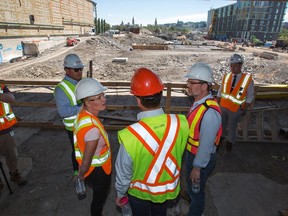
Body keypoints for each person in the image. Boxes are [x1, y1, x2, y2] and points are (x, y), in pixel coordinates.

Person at [115, 67, 189, 216]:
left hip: (139, 194)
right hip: (167, 191)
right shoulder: (181, 123)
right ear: (161, 95)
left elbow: (124, 172)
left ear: (137, 99)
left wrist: (120, 193)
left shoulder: (130, 135)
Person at [184, 62, 222, 216]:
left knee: (197, 191)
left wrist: (197, 168)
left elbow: (206, 146)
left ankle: (196, 213)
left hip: (200, 158)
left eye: (192, 82)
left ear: (205, 86)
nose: (188, 85)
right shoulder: (199, 103)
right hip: (192, 153)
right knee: (192, 187)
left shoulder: (210, 113)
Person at [74, 78, 112, 216]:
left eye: (103, 95)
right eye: (98, 98)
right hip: (99, 172)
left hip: (93, 171)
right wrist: (81, 175)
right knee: (98, 200)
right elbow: (86, 159)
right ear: (86, 102)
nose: (104, 100)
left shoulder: (82, 114)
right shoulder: (92, 130)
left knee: (98, 197)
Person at [217, 53, 254, 152]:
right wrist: (217, 103)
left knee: (232, 128)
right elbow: (220, 91)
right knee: (221, 126)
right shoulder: (226, 76)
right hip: (223, 106)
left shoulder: (247, 79)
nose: (233, 68)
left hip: (235, 109)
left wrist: (243, 108)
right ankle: (219, 141)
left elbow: (250, 96)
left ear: (241, 65)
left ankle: (229, 144)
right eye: (231, 65)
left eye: (236, 65)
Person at [54, 54, 84, 176]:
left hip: (85, 123)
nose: (80, 72)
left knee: (87, 150)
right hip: (74, 128)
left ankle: (87, 171)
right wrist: (84, 107)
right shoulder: (61, 89)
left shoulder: (81, 82)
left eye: (81, 69)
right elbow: (63, 111)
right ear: (67, 70)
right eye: (76, 69)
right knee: (77, 151)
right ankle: (77, 174)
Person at [0, 84, 27, 196]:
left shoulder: (1, 86)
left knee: (12, 155)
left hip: (4, 129)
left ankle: (14, 174)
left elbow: (11, 99)